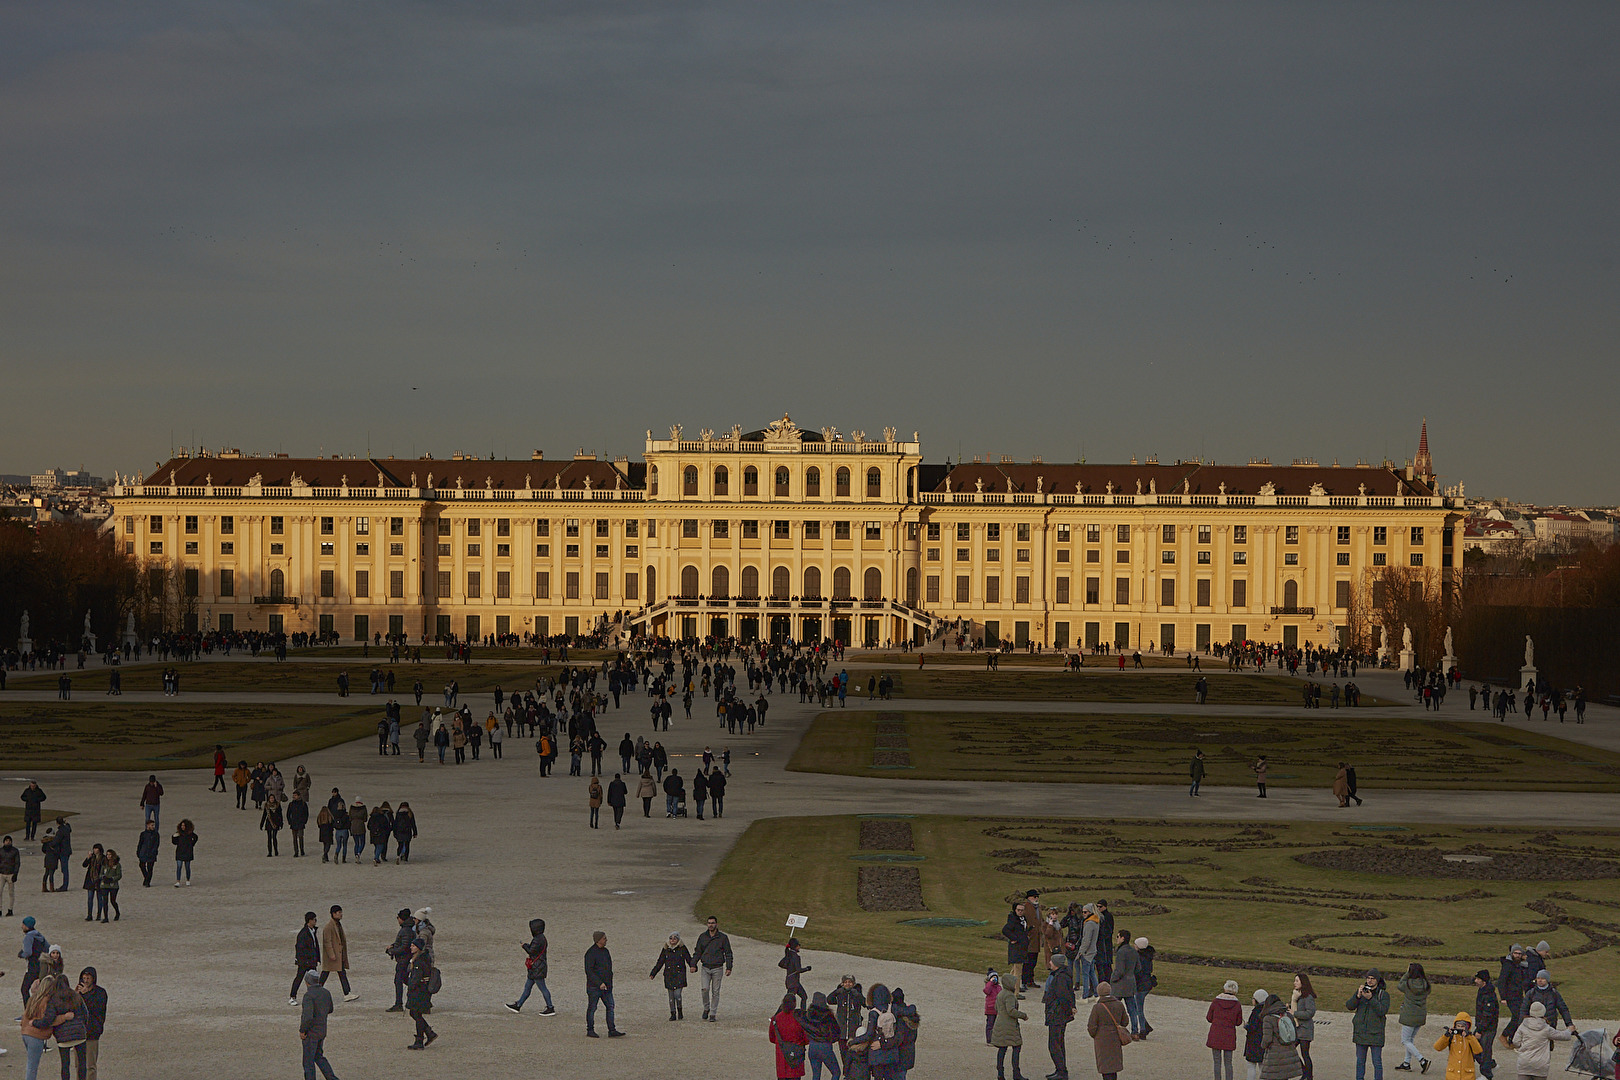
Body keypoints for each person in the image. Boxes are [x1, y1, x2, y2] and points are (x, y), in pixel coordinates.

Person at [1348, 969, 1391, 1080]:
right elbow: (1349, 1006)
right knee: (1360, 1062)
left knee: (1377, 1062)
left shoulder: (1383, 995)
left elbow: (1382, 1011)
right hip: (1361, 1032)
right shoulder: (1362, 992)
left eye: (1372, 979)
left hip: (1376, 1033)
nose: (1370, 981)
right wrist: (1357, 996)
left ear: (1377, 980)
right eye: (1368, 978)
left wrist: (1371, 999)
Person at [1510, 1002, 1570, 1080]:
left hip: (1524, 1064)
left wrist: (1524, 1047)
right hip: (1540, 1065)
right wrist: (1569, 1030)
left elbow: (1515, 1042)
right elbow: (1564, 1036)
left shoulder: (1523, 1026)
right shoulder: (1546, 1028)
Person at [507, 918, 554, 1014]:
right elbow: (534, 949)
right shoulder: (541, 938)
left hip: (537, 968)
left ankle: (550, 1007)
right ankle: (518, 1005)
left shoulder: (537, 939)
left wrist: (524, 946)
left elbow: (531, 951)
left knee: (542, 988)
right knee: (528, 987)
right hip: (537, 967)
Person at [299, 969, 339, 1080]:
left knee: (308, 1062)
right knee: (319, 1056)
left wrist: (302, 1030)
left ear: (307, 982)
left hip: (311, 1033)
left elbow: (307, 1017)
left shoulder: (308, 996)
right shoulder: (326, 992)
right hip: (322, 1031)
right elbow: (330, 1009)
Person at [990, 968, 1028, 1080]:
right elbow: (1011, 1011)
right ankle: (1016, 1073)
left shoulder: (1001, 993)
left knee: (1002, 1049)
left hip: (1000, 1023)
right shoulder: (1010, 996)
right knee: (1016, 1047)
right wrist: (1023, 1015)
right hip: (1010, 1026)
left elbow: (996, 1008)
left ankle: (1000, 1073)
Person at [583, 930, 623, 1038]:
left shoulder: (606, 951)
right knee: (592, 1008)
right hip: (594, 987)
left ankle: (612, 1030)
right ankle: (590, 1030)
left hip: (606, 987)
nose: (606, 940)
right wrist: (599, 983)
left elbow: (608, 968)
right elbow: (589, 971)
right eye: (604, 938)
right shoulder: (590, 953)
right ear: (598, 940)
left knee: (610, 1007)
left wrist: (609, 983)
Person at [1043, 950, 1076, 1080]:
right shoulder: (1062, 975)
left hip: (1057, 1015)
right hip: (1059, 1014)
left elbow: (1063, 996)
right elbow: (1070, 994)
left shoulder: (1060, 977)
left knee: (1054, 1045)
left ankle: (1062, 1071)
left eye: (1051, 961)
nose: (1050, 962)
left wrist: (1068, 1009)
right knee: (1059, 1043)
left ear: (1056, 964)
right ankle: (1060, 1070)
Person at [1086, 980, 1128, 1080]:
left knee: (1105, 1066)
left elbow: (1091, 1026)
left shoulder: (1097, 1007)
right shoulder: (1119, 1004)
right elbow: (1125, 1022)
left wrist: (1096, 1035)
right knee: (1113, 1066)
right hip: (1115, 1039)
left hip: (1102, 1040)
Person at [695, 914, 733, 1021]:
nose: (710, 925)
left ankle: (713, 1013)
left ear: (716, 924)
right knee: (704, 989)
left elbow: (728, 953)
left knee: (715, 991)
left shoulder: (723, 938)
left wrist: (729, 967)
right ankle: (706, 1007)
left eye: (712, 923)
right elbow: (698, 952)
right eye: (709, 923)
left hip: (718, 968)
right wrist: (693, 964)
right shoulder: (703, 937)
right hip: (705, 967)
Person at [1397, 962, 1433, 1073]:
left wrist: (1407, 973)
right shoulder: (1426, 984)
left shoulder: (1408, 984)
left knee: (1405, 1041)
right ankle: (1406, 1063)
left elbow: (1399, 985)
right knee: (1410, 1040)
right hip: (1420, 1015)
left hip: (1409, 1016)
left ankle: (1422, 1060)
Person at [1258, 989, 1302, 1080]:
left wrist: (1263, 1046)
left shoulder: (1268, 1018)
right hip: (1289, 1052)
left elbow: (1267, 1039)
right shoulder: (1288, 1016)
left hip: (1274, 1054)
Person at [648, 932, 692, 1021]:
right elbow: (660, 962)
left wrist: (693, 966)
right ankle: (673, 1013)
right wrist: (653, 973)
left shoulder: (682, 949)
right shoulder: (665, 950)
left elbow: (688, 959)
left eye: (675, 938)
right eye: (671, 939)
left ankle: (680, 1010)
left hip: (679, 974)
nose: (672, 940)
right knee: (671, 996)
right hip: (669, 975)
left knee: (677, 994)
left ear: (678, 940)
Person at [1207, 980, 1244, 1080]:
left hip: (1216, 1033)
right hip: (1229, 1035)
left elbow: (1209, 1018)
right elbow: (1238, 1022)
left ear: (1224, 988)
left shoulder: (1216, 1001)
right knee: (1228, 1062)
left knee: (1217, 1062)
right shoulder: (1237, 1004)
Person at [405, 938, 437, 1050]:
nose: (411, 947)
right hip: (422, 990)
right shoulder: (423, 958)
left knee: (416, 1014)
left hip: (419, 991)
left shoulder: (419, 961)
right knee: (415, 1013)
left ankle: (420, 1039)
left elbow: (416, 978)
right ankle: (428, 1032)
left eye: (413, 946)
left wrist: (410, 986)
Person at [320, 906, 357, 1001]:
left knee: (340, 973)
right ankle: (346, 993)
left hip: (338, 954)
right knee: (326, 973)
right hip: (334, 955)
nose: (341, 914)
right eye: (339, 912)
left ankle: (347, 993)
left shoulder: (337, 924)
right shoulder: (329, 927)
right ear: (333, 914)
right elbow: (327, 942)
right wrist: (331, 954)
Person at [770, 992, 810, 1079]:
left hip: (781, 1053)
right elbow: (806, 1038)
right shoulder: (799, 1018)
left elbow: (772, 1038)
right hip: (796, 1053)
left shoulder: (776, 1018)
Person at [76, 968, 106, 1080]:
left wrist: (86, 995)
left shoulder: (100, 993)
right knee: (78, 1065)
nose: (86, 980)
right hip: (79, 1034)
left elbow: (96, 1009)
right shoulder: (78, 993)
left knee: (90, 1066)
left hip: (92, 1033)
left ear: (93, 978)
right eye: (84, 978)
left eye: (88, 978)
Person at [1432, 1013, 1481, 1080]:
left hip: (1467, 1076)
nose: (1460, 1028)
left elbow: (1478, 1050)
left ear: (1467, 1027)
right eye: (1458, 1026)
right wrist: (1446, 1036)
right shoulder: (1452, 1037)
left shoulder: (1470, 1037)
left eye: (1462, 1027)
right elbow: (1437, 1047)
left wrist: (1469, 1037)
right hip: (1452, 1075)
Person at [385, 910, 416, 1012]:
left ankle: (399, 1004)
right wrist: (393, 946)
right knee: (404, 980)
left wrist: (392, 951)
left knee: (400, 980)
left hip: (403, 960)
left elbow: (404, 947)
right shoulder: (408, 929)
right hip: (405, 960)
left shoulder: (405, 930)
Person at [1471, 972, 1499, 1080]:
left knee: (1485, 1051)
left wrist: (1479, 1030)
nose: (1475, 981)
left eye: (1478, 979)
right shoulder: (1483, 991)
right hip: (1483, 1026)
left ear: (1484, 981)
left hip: (1488, 1028)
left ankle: (1486, 1075)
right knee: (1474, 1047)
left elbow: (1488, 1015)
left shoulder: (1489, 995)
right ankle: (1491, 1065)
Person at [1292, 974, 1318, 1080]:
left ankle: (1308, 1076)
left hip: (1305, 1029)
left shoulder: (1308, 997)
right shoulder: (1297, 995)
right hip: (1297, 1029)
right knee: (1291, 1049)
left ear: (1303, 982)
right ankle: (1305, 1072)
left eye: (1297, 981)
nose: (1294, 983)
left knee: (1305, 1054)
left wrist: (1295, 1013)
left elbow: (1310, 1013)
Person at [293, 912, 321, 1006]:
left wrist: (317, 958)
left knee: (313, 978)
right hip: (305, 961)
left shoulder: (312, 931)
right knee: (299, 978)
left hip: (311, 960)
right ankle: (293, 996)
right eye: (314, 920)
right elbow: (300, 948)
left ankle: (315, 996)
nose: (315, 921)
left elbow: (315, 946)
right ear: (310, 920)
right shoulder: (303, 933)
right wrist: (303, 960)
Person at [20, 915, 48, 1005]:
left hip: (32, 966)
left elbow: (28, 953)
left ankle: (28, 1012)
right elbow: (47, 948)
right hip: (41, 966)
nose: (22, 926)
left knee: (24, 989)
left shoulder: (28, 937)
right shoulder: (39, 935)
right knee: (39, 990)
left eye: (23, 924)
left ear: (27, 926)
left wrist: (21, 954)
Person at [781, 938, 810, 1011]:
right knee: (788, 1001)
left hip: (792, 981)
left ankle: (803, 1013)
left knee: (804, 997)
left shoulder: (789, 954)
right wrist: (807, 968)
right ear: (795, 947)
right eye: (798, 945)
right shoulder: (796, 957)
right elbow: (799, 970)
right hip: (793, 983)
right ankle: (776, 1016)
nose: (799, 947)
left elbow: (781, 964)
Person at [1245, 989, 1268, 1080]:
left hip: (1254, 1042)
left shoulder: (1256, 1011)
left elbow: (1252, 1027)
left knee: (1251, 1066)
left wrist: (1246, 1026)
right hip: (1263, 1041)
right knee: (1262, 1066)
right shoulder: (1267, 1011)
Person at [171, 819, 197, 886]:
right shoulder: (178, 833)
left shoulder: (190, 833)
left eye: (184, 825)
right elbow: (174, 842)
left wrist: (192, 844)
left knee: (187, 867)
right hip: (180, 852)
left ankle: (188, 879)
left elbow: (196, 837)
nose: (182, 827)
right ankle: (178, 881)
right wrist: (173, 837)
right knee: (179, 866)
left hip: (188, 852)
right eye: (182, 825)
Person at [97, 852, 121, 923]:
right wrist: (103, 877)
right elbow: (100, 874)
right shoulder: (104, 864)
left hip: (113, 885)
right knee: (105, 901)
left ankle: (117, 912)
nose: (108, 856)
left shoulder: (117, 865)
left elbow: (119, 875)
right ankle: (106, 917)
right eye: (107, 854)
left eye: (110, 855)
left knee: (113, 900)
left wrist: (112, 879)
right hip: (104, 885)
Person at [135, 822, 159, 887]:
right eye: (152, 825)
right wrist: (138, 851)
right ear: (147, 825)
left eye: (153, 825)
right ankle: (146, 878)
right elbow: (140, 843)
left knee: (150, 868)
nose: (153, 826)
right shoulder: (143, 834)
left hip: (152, 853)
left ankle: (147, 882)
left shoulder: (156, 834)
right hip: (143, 852)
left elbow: (156, 844)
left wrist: (153, 852)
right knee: (141, 865)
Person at [287, 794, 309, 858]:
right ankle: (296, 851)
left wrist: (304, 821)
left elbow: (306, 813)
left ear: (299, 796)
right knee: (294, 838)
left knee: (300, 837)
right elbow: (288, 814)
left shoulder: (303, 804)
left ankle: (302, 850)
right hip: (293, 823)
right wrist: (290, 822)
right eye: (293, 795)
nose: (294, 796)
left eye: (295, 795)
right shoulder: (291, 804)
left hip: (300, 823)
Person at [0, 836, 18, 916]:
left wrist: (15, 874)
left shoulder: (15, 851)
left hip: (11, 874)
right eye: (6, 841)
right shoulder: (0, 851)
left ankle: (10, 909)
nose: (8, 842)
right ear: (3, 842)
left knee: (11, 893)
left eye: (9, 841)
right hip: (2, 873)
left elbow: (17, 863)